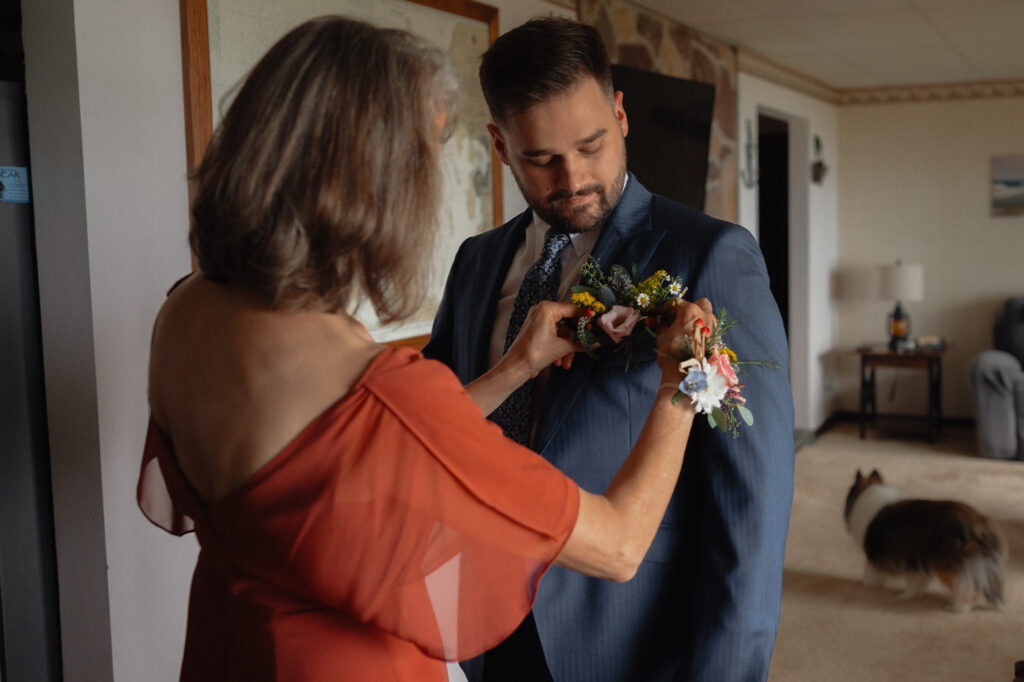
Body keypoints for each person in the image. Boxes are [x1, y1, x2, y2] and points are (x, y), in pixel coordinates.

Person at [137, 15, 714, 682]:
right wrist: (679, 384)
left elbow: (366, 453)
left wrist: (514, 368)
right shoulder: (378, 390)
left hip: (227, 651)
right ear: (379, 184)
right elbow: (618, 545)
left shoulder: (184, 312)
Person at [423, 16, 795, 682]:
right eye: (541, 158)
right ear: (500, 146)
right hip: (484, 627)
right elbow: (433, 427)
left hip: (631, 640)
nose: (573, 177)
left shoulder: (710, 255)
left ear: (620, 116)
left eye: (591, 145)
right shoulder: (475, 263)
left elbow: (752, 500)